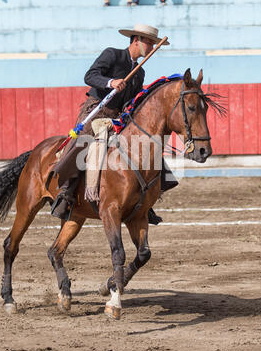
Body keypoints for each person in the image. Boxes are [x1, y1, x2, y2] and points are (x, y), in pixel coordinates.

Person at [49, 24, 176, 225]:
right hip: (96, 110)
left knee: (143, 146)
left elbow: (132, 101)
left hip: (118, 117)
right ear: (136, 41)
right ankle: (66, 193)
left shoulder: (139, 73)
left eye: (153, 43)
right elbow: (90, 76)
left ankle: (146, 201)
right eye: (149, 42)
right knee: (84, 144)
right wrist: (111, 82)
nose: (151, 47)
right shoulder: (112, 55)